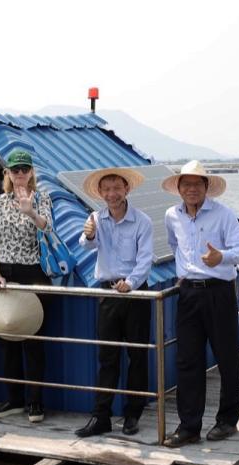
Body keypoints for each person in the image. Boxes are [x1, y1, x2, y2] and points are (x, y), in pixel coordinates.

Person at [161, 160, 239, 447]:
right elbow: (175, 246)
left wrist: (219, 257)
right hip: (188, 293)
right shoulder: (171, 215)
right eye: (185, 184)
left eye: (197, 184)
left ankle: (227, 420)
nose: (191, 189)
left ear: (206, 187)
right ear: (178, 188)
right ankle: (189, 427)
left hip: (219, 291)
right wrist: (185, 273)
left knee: (227, 357)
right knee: (188, 360)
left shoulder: (224, 214)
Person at [75, 167, 153, 438]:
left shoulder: (142, 221)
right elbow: (85, 245)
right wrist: (90, 233)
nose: (111, 194)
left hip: (136, 294)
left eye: (116, 188)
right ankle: (101, 416)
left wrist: (130, 283)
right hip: (107, 292)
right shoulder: (95, 217)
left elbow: (145, 261)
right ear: (100, 193)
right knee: (107, 356)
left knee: (137, 356)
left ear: (126, 189)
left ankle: (133, 414)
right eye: (106, 189)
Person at [0, 150, 52, 423]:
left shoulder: (42, 197)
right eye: (15, 170)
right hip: (6, 274)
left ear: (32, 172)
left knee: (33, 341)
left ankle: (35, 402)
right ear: (8, 174)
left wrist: (31, 212)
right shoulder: (0, 202)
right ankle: (13, 398)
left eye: (25, 169)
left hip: (32, 273)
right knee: (7, 337)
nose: (20, 174)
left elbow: (47, 227)